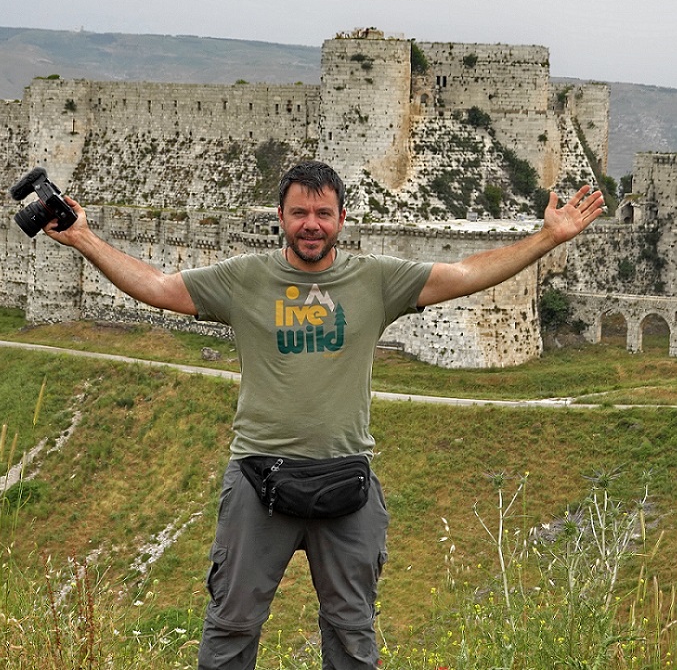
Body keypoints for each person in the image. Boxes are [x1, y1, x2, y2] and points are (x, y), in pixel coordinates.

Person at [41, 160, 604, 669]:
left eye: (323, 213)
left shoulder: (375, 280)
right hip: (259, 479)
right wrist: (85, 238)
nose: (312, 224)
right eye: (300, 213)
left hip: (346, 483)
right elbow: (160, 288)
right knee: (232, 627)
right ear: (281, 218)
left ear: (341, 219)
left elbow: (464, 274)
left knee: (352, 636)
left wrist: (547, 239)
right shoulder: (246, 279)